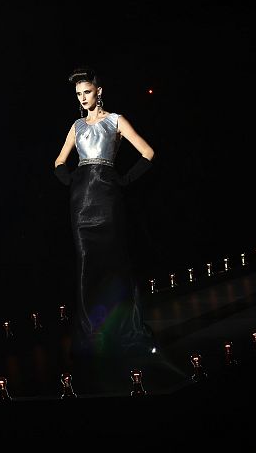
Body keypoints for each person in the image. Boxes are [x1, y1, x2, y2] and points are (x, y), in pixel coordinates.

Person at [53, 65, 157, 359]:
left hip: (108, 199)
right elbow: (58, 162)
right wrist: (73, 180)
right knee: (87, 265)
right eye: (78, 94)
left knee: (115, 263)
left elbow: (147, 152)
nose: (82, 98)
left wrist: (123, 180)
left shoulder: (115, 121)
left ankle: (125, 329)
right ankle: (93, 334)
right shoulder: (77, 126)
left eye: (87, 92)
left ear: (99, 92)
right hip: (81, 203)